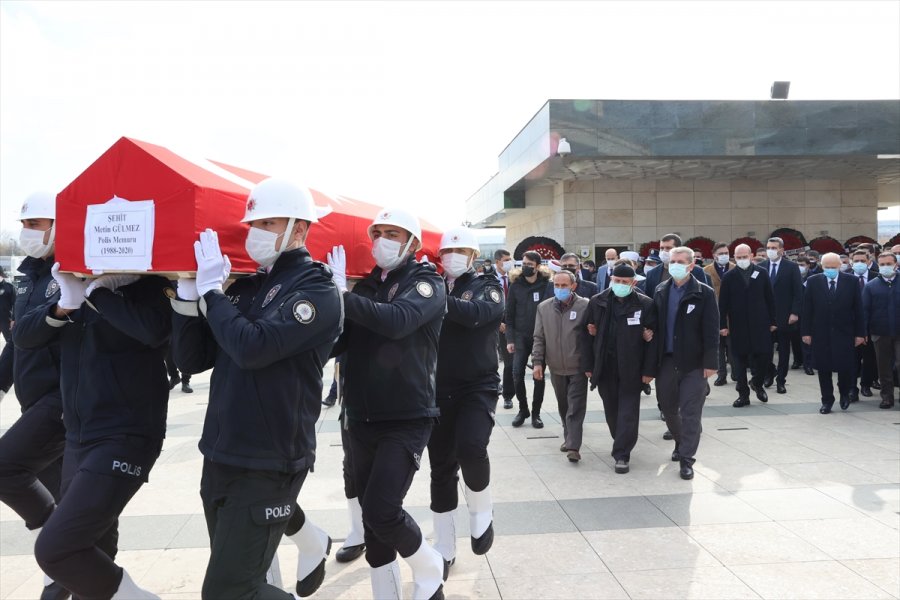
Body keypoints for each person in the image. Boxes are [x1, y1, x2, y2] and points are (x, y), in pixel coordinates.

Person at [171, 178, 342, 599]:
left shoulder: (317, 289)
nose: (256, 232)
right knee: (236, 583)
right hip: (221, 451)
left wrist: (213, 295)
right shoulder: (246, 287)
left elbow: (253, 348)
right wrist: (188, 297)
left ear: (299, 229)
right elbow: (192, 360)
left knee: (230, 591)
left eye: (268, 223)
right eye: (253, 224)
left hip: (270, 458)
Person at [15, 255, 172, 596]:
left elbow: (154, 331)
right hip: (78, 435)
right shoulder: (75, 283)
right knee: (91, 550)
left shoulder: (152, 285)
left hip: (126, 435)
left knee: (57, 548)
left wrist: (100, 294)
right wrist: (63, 306)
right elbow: (23, 336)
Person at [327, 207, 447, 600]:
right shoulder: (364, 288)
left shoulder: (427, 282)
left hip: (407, 415)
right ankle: (387, 593)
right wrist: (325, 306)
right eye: (377, 233)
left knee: (382, 510)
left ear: (412, 243)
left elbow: (397, 321)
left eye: (392, 234)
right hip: (361, 415)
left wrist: (342, 296)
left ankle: (429, 567)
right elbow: (338, 343)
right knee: (371, 519)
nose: (381, 241)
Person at [0, 192, 69, 600]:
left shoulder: (72, 272)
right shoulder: (27, 276)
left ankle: (56, 554)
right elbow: (18, 338)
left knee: (6, 469)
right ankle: (69, 572)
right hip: (33, 402)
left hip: (61, 400)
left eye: (36, 224)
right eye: (24, 224)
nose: (27, 232)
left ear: (59, 226)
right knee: (67, 502)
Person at [429, 226, 503, 574]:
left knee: (471, 448)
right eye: (447, 252)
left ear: (474, 256)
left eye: (460, 252)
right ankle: (444, 545)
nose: (453, 257)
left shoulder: (487, 285)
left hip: (477, 385)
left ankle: (481, 509)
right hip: (436, 388)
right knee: (440, 467)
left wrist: (430, 296)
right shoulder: (432, 285)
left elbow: (476, 315)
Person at [651, 247, 719, 480]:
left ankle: (687, 459)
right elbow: (655, 324)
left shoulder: (704, 293)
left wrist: (711, 362)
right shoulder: (661, 290)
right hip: (666, 360)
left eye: (680, 262)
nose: (675, 265)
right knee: (668, 408)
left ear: (691, 265)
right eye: (672, 261)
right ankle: (680, 443)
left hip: (694, 363)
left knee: (691, 412)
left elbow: (711, 330)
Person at [586, 264, 657, 473]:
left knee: (628, 411)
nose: (620, 285)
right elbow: (587, 335)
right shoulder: (597, 301)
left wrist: (649, 370)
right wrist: (589, 365)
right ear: (611, 280)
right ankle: (620, 440)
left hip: (632, 366)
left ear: (633, 283)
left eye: (625, 282)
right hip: (605, 365)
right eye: (617, 281)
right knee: (611, 409)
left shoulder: (645, 303)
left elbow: (653, 338)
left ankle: (622, 454)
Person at [532, 270, 591, 463]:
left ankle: (573, 446)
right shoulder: (544, 308)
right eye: (556, 285)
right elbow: (539, 337)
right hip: (555, 366)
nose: (560, 289)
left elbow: (592, 336)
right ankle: (569, 436)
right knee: (563, 405)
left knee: (575, 407)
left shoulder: (585, 306)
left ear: (573, 286)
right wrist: (537, 362)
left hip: (578, 367)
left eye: (564, 285)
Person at [801, 252, 866, 414]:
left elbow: (858, 309)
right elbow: (807, 309)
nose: (830, 270)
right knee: (823, 368)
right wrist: (806, 332)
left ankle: (844, 394)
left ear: (840, 266)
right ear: (822, 266)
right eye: (827, 267)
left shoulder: (851, 281)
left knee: (845, 367)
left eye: (833, 267)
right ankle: (827, 400)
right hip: (820, 333)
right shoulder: (813, 281)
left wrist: (860, 333)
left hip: (845, 332)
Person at [719, 244, 777, 407]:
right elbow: (723, 304)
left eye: (744, 257)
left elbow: (770, 298)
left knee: (764, 356)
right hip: (738, 325)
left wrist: (773, 321)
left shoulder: (762, 273)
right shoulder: (729, 276)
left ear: (751, 256)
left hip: (761, 324)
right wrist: (723, 325)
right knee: (739, 362)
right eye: (739, 257)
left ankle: (757, 383)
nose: (742, 260)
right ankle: (743, 394)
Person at [505, 251, 552, 428]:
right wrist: (510, 339)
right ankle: (523, 409)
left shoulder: (546, 285)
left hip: (540, 337)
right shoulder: (516, 286)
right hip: (519, 337)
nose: (525, 267)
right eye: (523, 263)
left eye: (529, 264)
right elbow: (509, 315)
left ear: (537, 266)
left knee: (538, 375)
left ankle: (536, 413)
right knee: (517, 373)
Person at [761, 237, 803, 394]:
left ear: (781, 250)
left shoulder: (791, 267)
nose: (770, 250)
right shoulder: (761, 266)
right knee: (765, 350)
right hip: (766, 317)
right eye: (768, 247)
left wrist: (795, 312)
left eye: (774, 247)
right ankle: (769, 372)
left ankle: (781, 380)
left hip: (785, 316)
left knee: (784, 351)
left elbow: (798, 292)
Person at [862, 252, 900, 409]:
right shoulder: (871, 286)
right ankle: (887, 397)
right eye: (882, 264)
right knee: (883, 366)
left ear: (896, 264)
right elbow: (865, 310)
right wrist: (863, 331)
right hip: (879, 332)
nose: (885, 267)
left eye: (889, 264)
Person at [849, 249, 879, 400]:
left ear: (869, 262)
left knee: (869, 358)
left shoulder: (876, 277)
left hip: (871, 325)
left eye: (862, 261)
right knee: (851, 358)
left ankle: (866, 385)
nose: (859, 263)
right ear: (851, 262)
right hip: (850, 325)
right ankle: (851, 388)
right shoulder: (845, 277)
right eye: (856, 261)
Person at [643, 234, 709, 300]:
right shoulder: (652, 273)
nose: (664, 251)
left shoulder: (696, 271)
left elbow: (705, 296)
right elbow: (649, 299)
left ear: (678, 249)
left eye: (668, 248)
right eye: (662, 248)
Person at [704, 242, 734, 386]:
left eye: (726, 253)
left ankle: (736, 371)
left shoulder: (734, 268)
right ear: (714, 255)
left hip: (732, 313)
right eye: (721, 253)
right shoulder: (706, 271)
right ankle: (721, 374)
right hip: (714, 312)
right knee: (719, 347)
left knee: (732, 346)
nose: (724, 256)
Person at [494, 249, 515, 410]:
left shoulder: (514, 278)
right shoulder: (487, 278)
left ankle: (508, 396)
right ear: (497, 262)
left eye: (510, 259)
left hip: (511, 328)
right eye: (506, 259)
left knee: (509, 363)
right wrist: (497, 322)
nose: (509, 262)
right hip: (493, 327)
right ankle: (494, 386)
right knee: (490, 361)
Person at [0, 266, 14, 401]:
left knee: (11, 344)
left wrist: (13, 319)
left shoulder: (9, 287)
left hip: (6, 320)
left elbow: (15, 303)